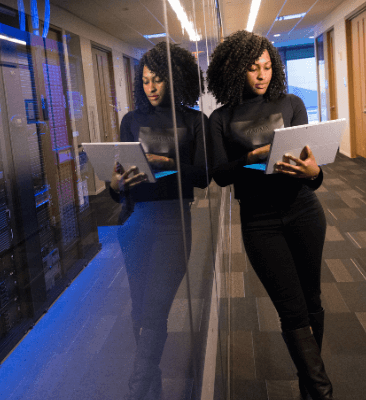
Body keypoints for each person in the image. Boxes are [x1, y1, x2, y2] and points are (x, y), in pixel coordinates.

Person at [206, 30, 333, 400]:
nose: (261, 75)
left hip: (303, 211)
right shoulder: (221, 118)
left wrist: (316, 174)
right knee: (292, 311)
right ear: (234, 71)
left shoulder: (291, 103)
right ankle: (322, 391)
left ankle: (309, 388)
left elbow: (311, 173)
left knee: (312, 302)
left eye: (266, 67)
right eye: (252, 68)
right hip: (259, 222)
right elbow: (219, 174)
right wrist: (250, 158)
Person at [108, 41, 208, 400]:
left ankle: (137, 389)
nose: (150, 87)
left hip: (173, 224)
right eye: (146, 80)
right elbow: (117, 187)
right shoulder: (131, 121)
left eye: (158, 80)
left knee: (155, 309)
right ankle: (151, 384)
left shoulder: (195, 121)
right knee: (140, 310)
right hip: (135, 222)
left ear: (175, 79)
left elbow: (203, 177)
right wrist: (117, 184)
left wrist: (165, 164)